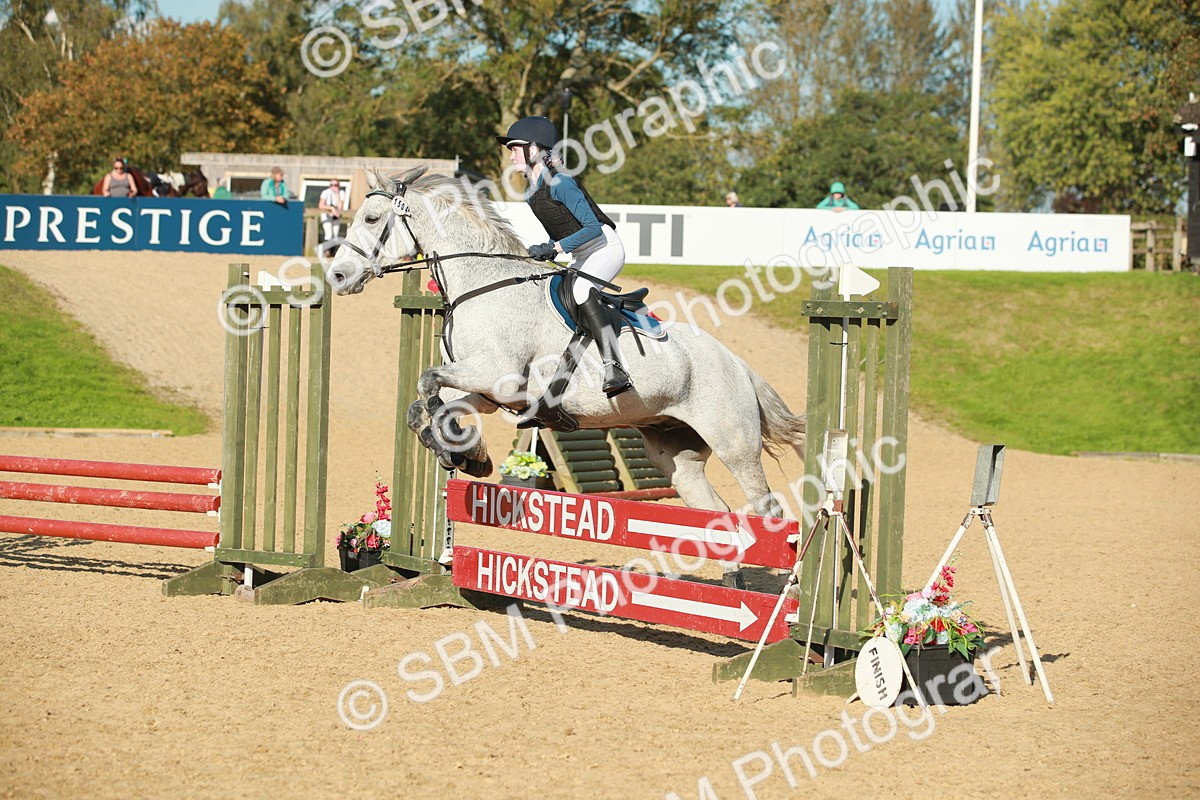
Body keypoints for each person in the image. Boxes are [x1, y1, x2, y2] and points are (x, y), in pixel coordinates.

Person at [497, 115, 632, 397]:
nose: (510, 156)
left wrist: (556, 248)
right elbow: (559, 225)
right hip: (582, 253)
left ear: (533, 150)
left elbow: (593, 229)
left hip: (605, 248)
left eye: (514, 148)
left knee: (582, 290)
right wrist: (545, 248)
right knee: (554, 292)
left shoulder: (562, 184)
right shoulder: (533, 192)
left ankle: (615, 366)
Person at [318, 178, 348, 250]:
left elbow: (340, 207)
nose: (333, 186)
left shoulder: (341, 193)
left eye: (335, 185)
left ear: (338, 185)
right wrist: (331, 208)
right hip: (326, 215)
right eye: (331, 185)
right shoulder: (325, 192)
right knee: (329, 233)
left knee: (335, 235)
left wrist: (337, 194)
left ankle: (332, 252)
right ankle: (326, 251)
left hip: (336, 216)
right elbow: (320, 205)